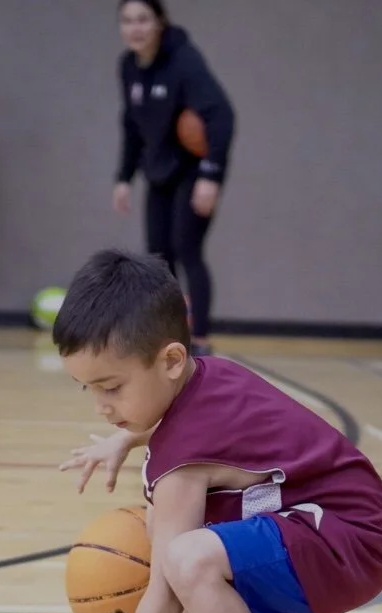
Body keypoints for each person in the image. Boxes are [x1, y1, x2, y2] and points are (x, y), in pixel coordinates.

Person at [34, 250, 382, 613]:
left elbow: (164, 584)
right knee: (171, 529)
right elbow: (190, 431)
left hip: (347, 540)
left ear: (171, 360)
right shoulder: (205, 377)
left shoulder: (183, 454)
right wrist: (126, 435)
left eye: (112, 388)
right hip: (323, 524)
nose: (101, 407)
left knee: (184, 555)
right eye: (89, 389)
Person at [113, 0, 232, 355]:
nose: (135, 28)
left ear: (159, 22)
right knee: (157, 259)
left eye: (143, 20)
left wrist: (211, 175)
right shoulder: (128, 67)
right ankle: (170, 336)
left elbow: (222, 116)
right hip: (158, 172)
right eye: (127, 21)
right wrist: (123, 177)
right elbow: (132, 126)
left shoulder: (183, 61)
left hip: (193, 171)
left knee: (187, 249)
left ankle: (201, 340)